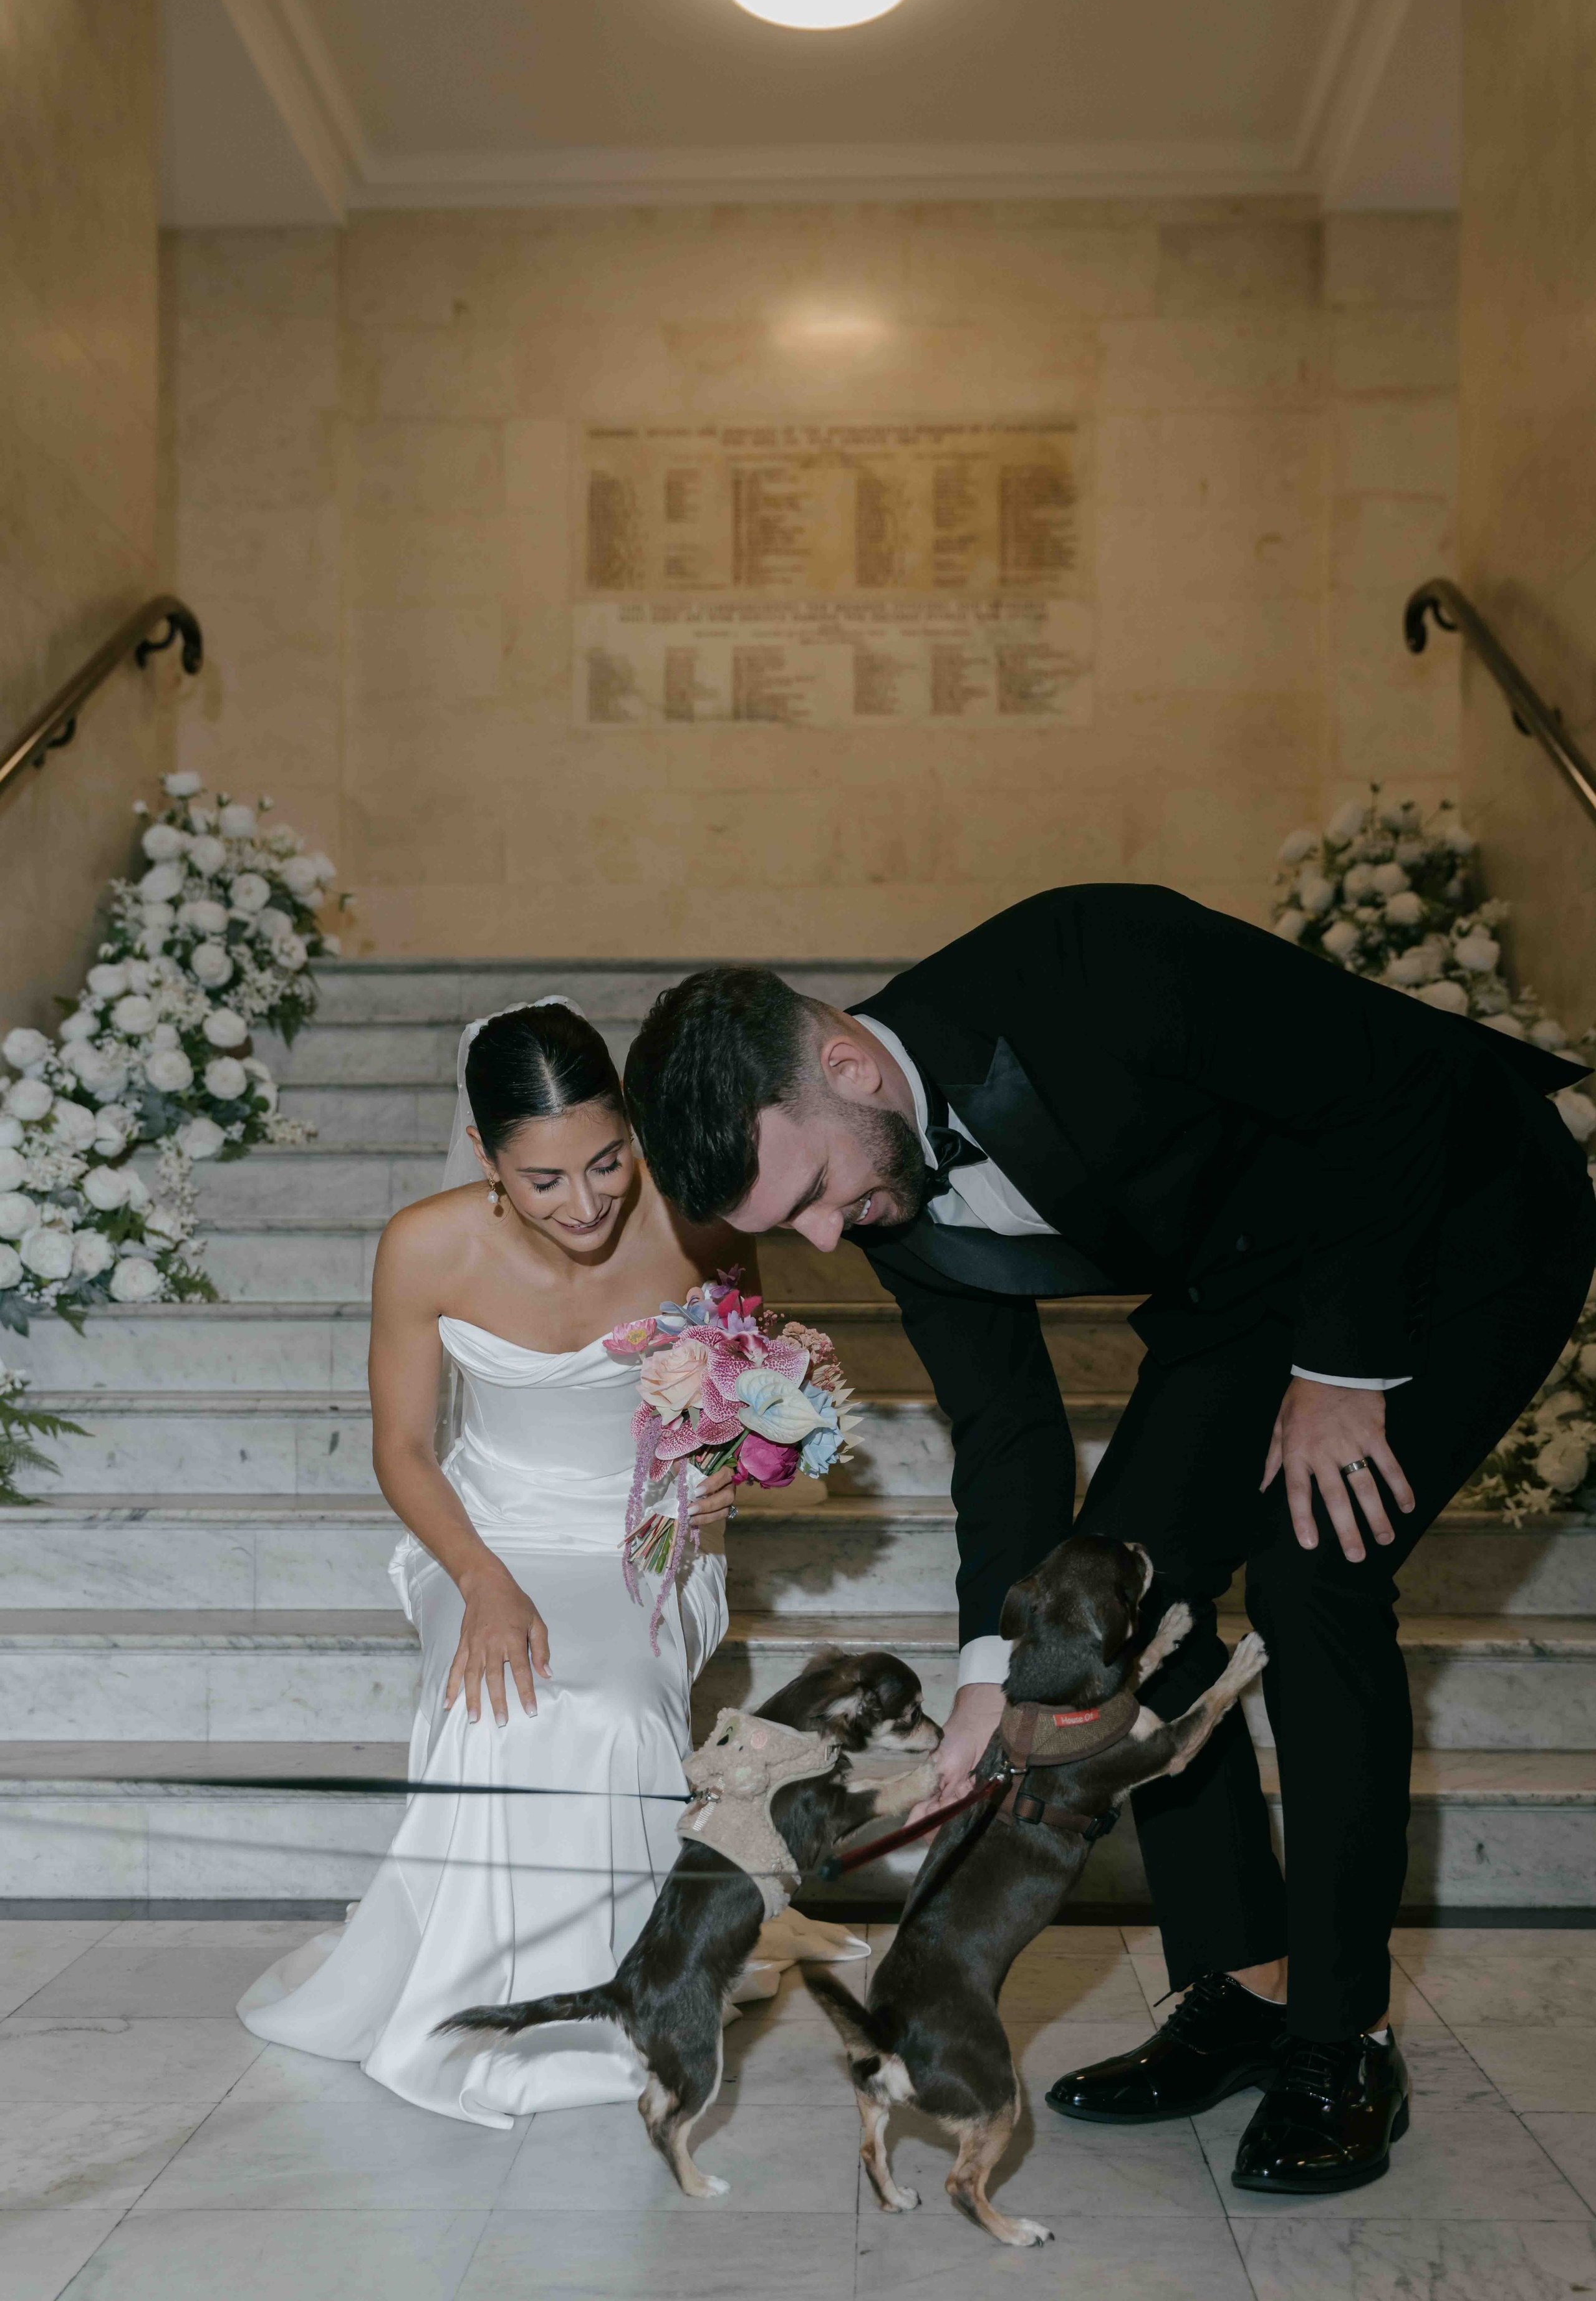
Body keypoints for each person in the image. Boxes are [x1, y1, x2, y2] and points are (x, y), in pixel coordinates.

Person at [623, 884, 1596, 2194]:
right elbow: (1005, 1430)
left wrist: (1343, 1371)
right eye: (780, 1226)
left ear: (844, 1066)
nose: (816, 1237)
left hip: (1461, 1207)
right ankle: (1239, 1990)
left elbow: (1391, 1088)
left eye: (807, 1193)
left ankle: (1341, 2038)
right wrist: (982, 1685)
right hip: (1254, 1277)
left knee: (1313, 1577)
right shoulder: (874, 1176)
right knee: (1097, 1621)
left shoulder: (1091, 961)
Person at [238, 997, 862, 2125]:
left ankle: (626, 1999)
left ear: (633, 1127)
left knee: (614, 1706)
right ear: (485, 1156)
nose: (587, 1204)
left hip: (642, 1538)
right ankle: (470, 1998)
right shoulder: (424, 1246)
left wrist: (730, 1475)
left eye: (609, 1161)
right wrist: (481, 1581)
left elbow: (760, 1421)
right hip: (481, 1531)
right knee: (499, 1701)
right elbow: (401, 1448)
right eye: (544, 1181)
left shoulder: (703, 1227)